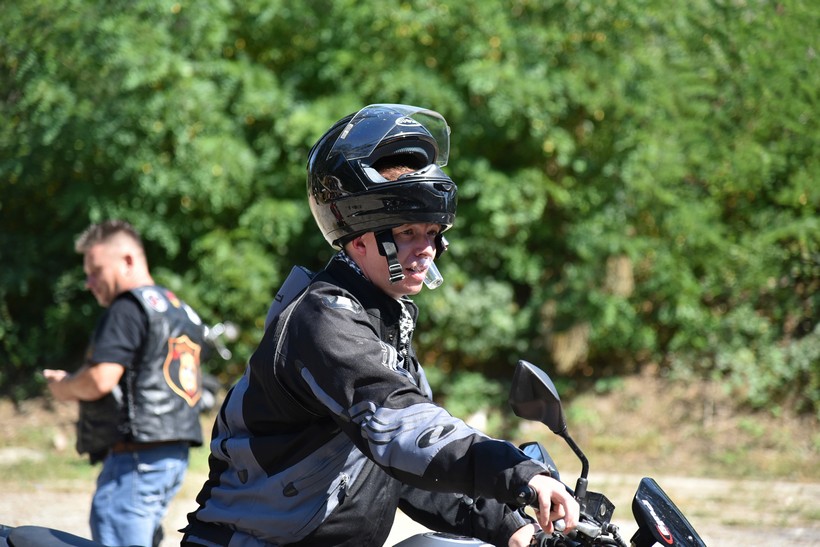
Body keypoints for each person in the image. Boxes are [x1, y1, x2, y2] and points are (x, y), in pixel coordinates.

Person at [182, 104, 578, 547]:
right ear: (358, 237)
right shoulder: (323, 319)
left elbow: (409, 468)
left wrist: (511, 526)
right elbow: (402, 427)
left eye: (433, 232)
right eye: (407, 232)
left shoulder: (383, 320)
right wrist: (518, 472)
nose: (426, 249)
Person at [44, 219, 207, 547]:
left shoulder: (128, 308)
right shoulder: (180, 310)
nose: (89, 283)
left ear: (128, 260)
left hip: (136, 459)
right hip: (172, 456)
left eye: (96, 271)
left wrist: (63, 386)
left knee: (116, 528)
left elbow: (100, 380)